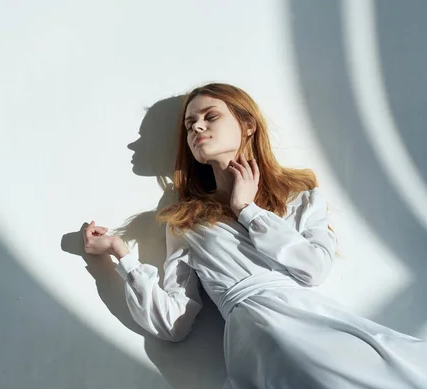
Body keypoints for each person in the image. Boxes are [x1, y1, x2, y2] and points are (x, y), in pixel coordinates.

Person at [82, 83, 427, 389]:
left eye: (209, 116)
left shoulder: (300, 194)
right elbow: (173, 323)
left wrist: (248, 210)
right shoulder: (185, 222)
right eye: (190, 124)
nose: (197, 126)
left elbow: (314, 268)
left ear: (247, 125)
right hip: (261, 338)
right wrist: (121, 254)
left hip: (322, 327)